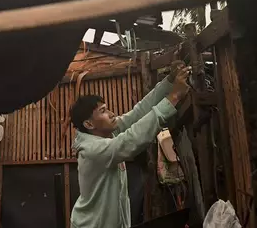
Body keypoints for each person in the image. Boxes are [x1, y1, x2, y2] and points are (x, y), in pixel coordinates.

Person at [69, 61, 190, 228]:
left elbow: (138, 113)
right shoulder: (93, 150)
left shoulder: (106, 134)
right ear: (89, 124)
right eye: (103, 111)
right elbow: (132, 139)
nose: (111, 114)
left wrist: (168, 83)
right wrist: (174, 97)